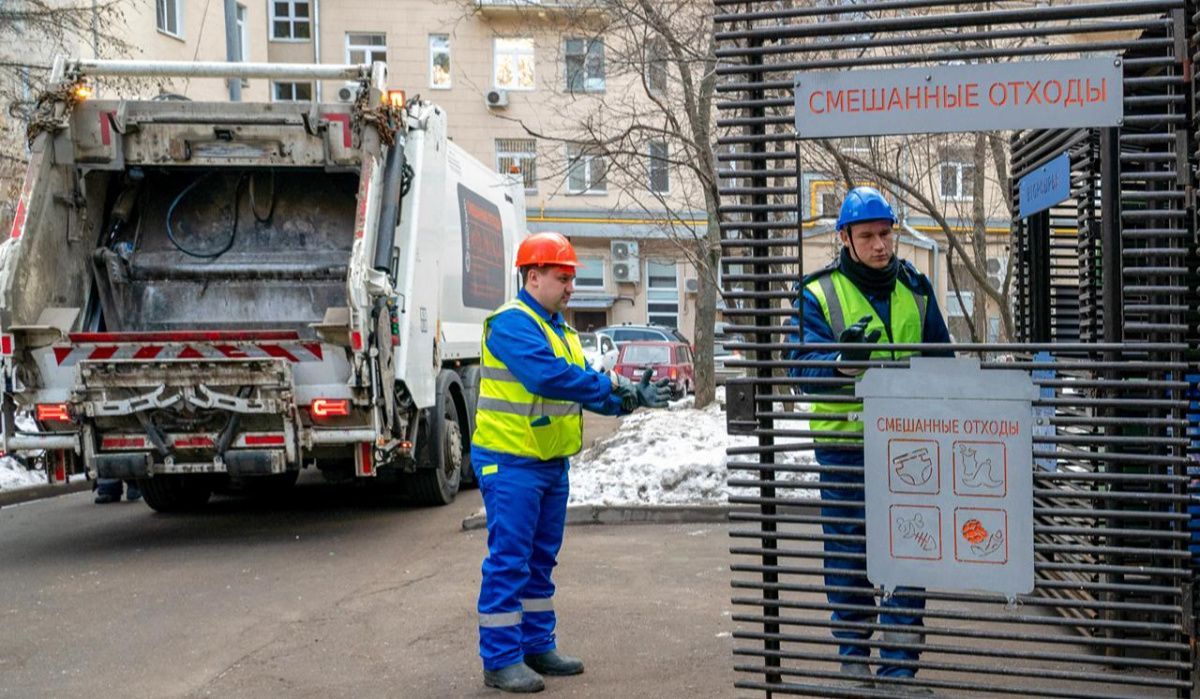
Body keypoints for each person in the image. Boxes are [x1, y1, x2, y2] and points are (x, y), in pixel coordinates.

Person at [471, 231, 672, 693]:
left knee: (540, 560)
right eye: (562, 278)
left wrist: (629, 399)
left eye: (571, 279)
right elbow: (549, 378)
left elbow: (579, 382)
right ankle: (500, 660)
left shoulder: (559, 329)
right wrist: (614, 387)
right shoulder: (512, 323)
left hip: (547, 462)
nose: (570, 288)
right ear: (533, 277)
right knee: (510, 561)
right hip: (511, 461)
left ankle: (536, 645)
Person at [787, 187, 951, 687]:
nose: (880, 245)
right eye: (867, 236)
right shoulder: (817, 293)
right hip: (847, 448)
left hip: (910, 445)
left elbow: (941, 361)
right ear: (845, 238)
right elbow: (799, 367)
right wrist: (842, 362)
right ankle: (854, 662)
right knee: (849, 555)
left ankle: (899, 671)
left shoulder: (916, 288)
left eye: (886, 233)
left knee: (911, 552)